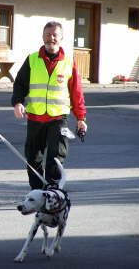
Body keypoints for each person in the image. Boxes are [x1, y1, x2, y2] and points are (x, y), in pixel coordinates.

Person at [11, 21, 87, 189]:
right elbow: (20, 84)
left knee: (56, 157)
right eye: (48, 34)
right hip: (35, 117)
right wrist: (17, 102)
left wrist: (81, 118)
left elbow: (76, 92)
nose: (51, 38)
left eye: (54, 35)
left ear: (61, 38)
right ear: (43, 36)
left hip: (58, 118)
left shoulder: (69, 62)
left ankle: (53, 192)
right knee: (33, 158)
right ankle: (38, 192)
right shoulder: (32, 59)